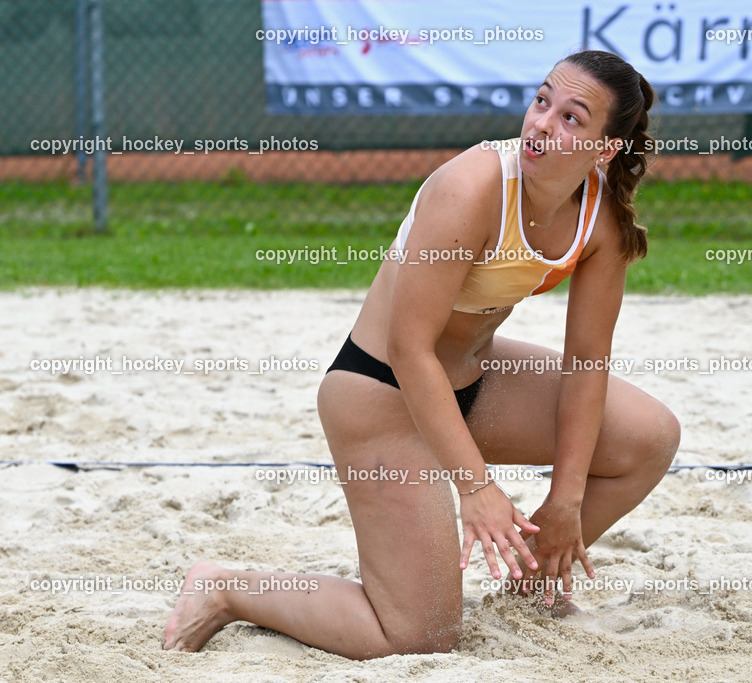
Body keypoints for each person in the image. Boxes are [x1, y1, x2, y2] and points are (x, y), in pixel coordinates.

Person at [163, 49, 680, 659]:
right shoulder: (474, 185)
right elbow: (410, 349)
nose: (542, 124)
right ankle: (230, 588)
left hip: (474, 385)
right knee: (416, 636)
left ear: (606, 148)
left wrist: (566, 499)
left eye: (573, 117)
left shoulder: (601, 217)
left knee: (649, 438)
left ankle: (529, 584)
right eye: (542, 101)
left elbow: (587, 364)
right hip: (380, 391)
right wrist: (477, 488)